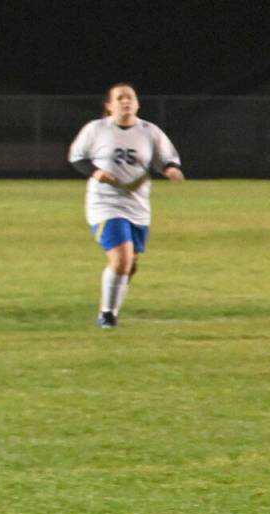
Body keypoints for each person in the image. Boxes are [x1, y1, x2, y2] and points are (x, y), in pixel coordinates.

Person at [68, 83, 184, 329]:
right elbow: (77, 157)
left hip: (137, 205)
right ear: (109, 105)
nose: (125, 101)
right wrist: (96, 172)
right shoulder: (96, 129)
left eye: (130, 97)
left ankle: (112, 309)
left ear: (137, 103)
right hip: (105, 203)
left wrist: (171, 169)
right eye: (119, 98)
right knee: (122, 260)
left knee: (130, 265)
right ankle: (107, 315)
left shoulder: (149, 131)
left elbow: (166, 158)